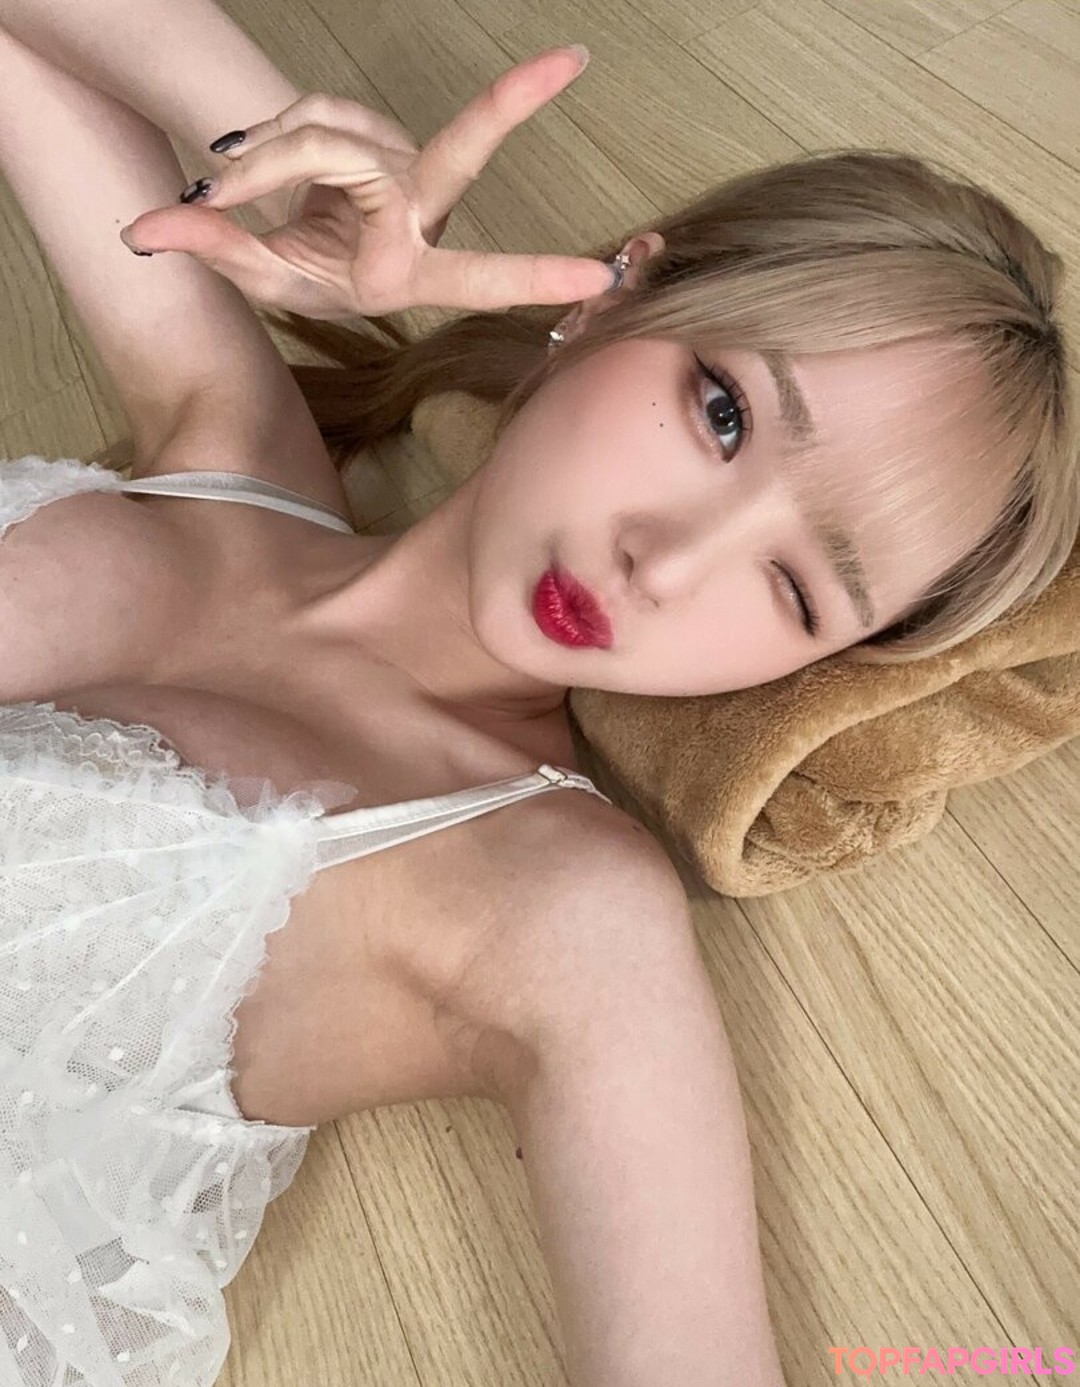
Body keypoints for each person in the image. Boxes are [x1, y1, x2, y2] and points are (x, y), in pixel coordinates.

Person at [0, 5, 1074, 1387]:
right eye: (724, 415)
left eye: (798, 590)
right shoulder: (229, 437)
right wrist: (282, 139)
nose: (666, 565)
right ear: (614, 294)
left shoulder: (553, 905)